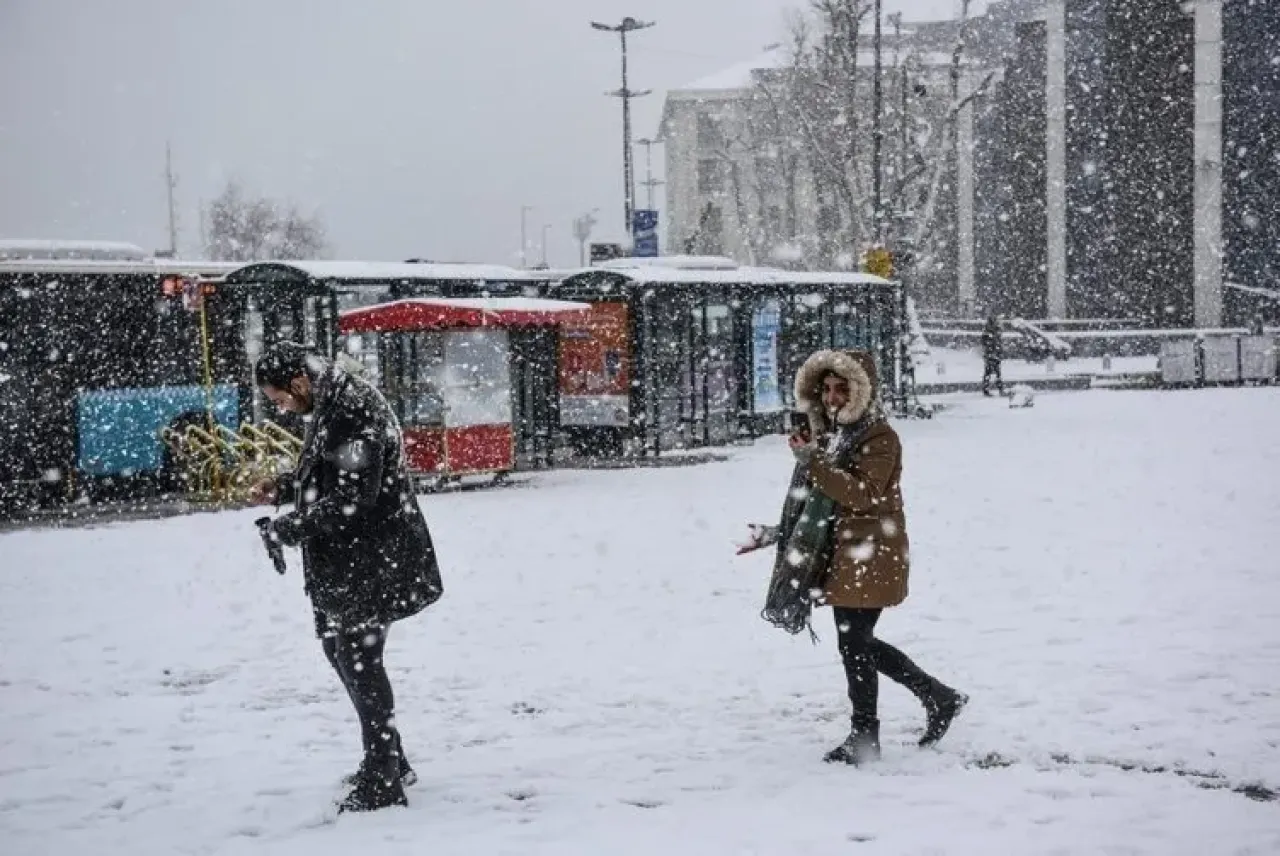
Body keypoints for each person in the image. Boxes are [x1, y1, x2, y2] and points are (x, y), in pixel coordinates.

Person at [743, 349, 967, 766]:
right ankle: (935, 698)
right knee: (856, 643)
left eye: (841, 390)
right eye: (825, 390)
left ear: (860, 392)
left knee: (855, 643)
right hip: (843, 555)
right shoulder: (831, 434)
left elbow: (863, 495)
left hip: (871, 552)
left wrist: (813, 461)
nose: (831, 399)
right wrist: (778, 534)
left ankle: (874, 731)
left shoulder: (879, 437)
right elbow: (814, 505)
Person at [248, 341, 443, 812]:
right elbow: (330, 476)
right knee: (342, 651)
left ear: (299, 381)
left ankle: (384, 780)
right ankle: (390, 759)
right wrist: (284, 486)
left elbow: (356, 498)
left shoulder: (351, 409)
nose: (283, 409)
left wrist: (289, 527)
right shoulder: (332, 401)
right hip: (352, 561)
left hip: (373, 559)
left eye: (280, 399)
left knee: (359, 658)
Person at [981, 315, 1005, 397]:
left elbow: (998, 342)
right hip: (991, 354)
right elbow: (985, 342)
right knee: (992, 373)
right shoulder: (989, 331)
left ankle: (993, 389)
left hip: (993, 354)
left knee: (994, 373)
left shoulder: (994, 330)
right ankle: (997, 389)